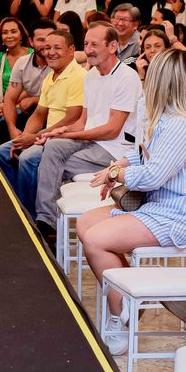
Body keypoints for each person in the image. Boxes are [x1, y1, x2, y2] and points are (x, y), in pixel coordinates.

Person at [78, 49, 186, 354]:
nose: (145, 79)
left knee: (96, 240)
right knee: (86, 224)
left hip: (179, 213)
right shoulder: (169, 117)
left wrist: (117, 173)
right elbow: (145, 154)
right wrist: (118, 167)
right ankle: (128, 298)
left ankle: (120, 316)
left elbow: (152, 176)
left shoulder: (181, 124)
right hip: (161, 204)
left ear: (163, 82)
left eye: (150, 74)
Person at [34, 21, 142, 243]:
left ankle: (47, 222)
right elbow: (83, 122)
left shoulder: (127, 77)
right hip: (93, 141)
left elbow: (112, 130)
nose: (89, 50)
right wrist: (59, 131)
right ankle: (46, 221)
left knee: (50, 163)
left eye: (94, 44)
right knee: (51, 147)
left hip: (116, 149)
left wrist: (68, 135)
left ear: (112, 47)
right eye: (86, 44)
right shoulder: (91, 75)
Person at [0, 30, 86, 216]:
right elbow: (39, 114)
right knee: (2, 152)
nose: (51, 52)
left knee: (27, 159)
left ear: (71, 50)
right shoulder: (50, 77)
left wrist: (35, 138)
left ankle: (30, 215)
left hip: (66, 137)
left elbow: (73, 118)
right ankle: (18, 201)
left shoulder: (79, 76)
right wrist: (24, 138)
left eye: (57, 48)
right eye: (47, 48)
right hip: (47, 135)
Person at [0, 19, 56, 150]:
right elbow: (9, 99)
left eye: (50, 39)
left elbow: (60, 100)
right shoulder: (22, 63)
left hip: (55, 119)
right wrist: (12, 129)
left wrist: (34, 100)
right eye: (40, 40)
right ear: (31, 41)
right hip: (32, 116)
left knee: (25, 154)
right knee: (0, 147)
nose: (46, 44)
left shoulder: (62, 63)